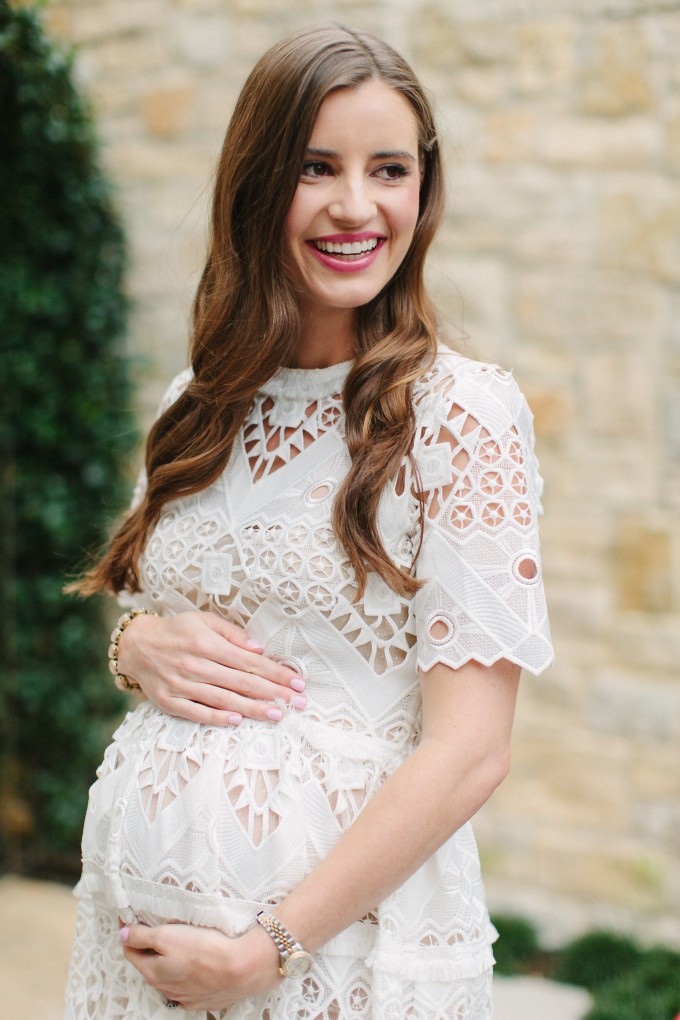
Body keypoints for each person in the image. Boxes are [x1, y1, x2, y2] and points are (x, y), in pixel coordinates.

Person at [64, 23, 553, 1020]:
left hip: (332, 966)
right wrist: (134, 646)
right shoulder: (191, 403)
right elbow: (165, 623)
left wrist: (268, 951)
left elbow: (467, 751)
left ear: (424, 188)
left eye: (389, 170)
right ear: (254, 181)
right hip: (137, 965)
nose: (355, 206)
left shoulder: (460, 414)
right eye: (315, 167)